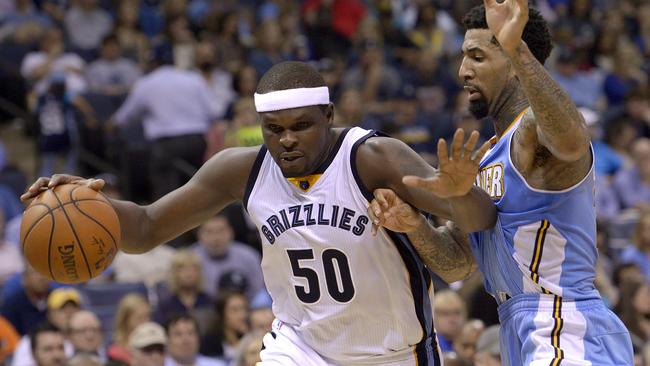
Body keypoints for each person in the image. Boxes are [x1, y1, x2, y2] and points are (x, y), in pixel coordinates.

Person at [22, 60, 496, 365]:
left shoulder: (374, 159)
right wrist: (89, 203)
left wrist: (457, 193)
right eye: (274, 129)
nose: (287, 140)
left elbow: (480, 222)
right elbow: (146, 229)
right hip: (301, 347)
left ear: (329, 117)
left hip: (393, 351)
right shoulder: (240, 169)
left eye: (301, 126)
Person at [370, 1, 633, 365]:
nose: (462, 70)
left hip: (562, 322)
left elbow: (572, 142)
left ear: (513, 63)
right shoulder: (487, 155)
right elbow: (458, 264)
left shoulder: (532, 134)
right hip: (516, 325)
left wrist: (516, 48)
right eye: (464, 57)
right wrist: (414, 224)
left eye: (477, 57)